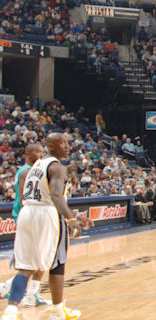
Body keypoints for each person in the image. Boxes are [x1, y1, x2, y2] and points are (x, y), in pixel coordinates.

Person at [3, 133, 92, 320]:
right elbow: (56, 197)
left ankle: (10, 311)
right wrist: (71, 220)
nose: (67, 146)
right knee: (58, 263)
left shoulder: (36, 165)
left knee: (26, 266)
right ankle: (58, 311)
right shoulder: (58, 167)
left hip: (28, 213)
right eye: (63, 143)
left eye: (68, 143)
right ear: (52, 145)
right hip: (46, 214)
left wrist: (74, 215)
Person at [0, 144, 51, 308]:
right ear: (28, 154)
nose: (41, 155)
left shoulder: (30, 170)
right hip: (27, 215)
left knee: (36, 258)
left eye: (43, 152)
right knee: (34, 258)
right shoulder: (27, 171)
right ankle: (11, 287)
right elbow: (24, 198)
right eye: (38, 152)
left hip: (28, 215)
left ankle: (25, 291)